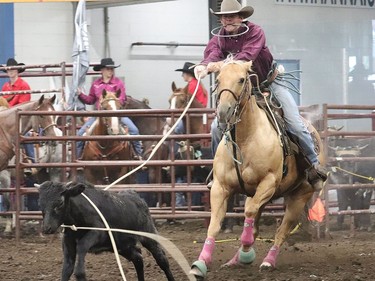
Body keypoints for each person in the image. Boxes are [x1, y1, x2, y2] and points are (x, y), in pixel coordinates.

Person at [193, 0, 327, 191]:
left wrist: (216, 66)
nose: (227, 20)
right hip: (242, 92)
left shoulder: (255, 32)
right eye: (224, 17)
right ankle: (218, 172)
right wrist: (203, 65)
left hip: (270, 83)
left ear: (241, 17)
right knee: (216, 127)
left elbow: (246, 57)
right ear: (221, 20)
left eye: (231, 16)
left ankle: (314, 166)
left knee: (295, 124)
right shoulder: (219, 38)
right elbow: (212, 53)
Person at [76, 58, 143, 159]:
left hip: (117, 114)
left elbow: (122, 98)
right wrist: (81, 95)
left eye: (112, 69)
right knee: (80, 134)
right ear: (102, 70)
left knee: (134, 131)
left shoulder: (118, 83)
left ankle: (138, 155)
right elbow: (91, 100)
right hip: (99, 115)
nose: (111, 71)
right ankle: (78, 158)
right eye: (108, 69)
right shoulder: (96, 84)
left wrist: (112, 103)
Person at [173, 62, 208, 207]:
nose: (182, 75)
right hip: (200, 115)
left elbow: (188, 103)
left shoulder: (192, 85)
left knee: (176, 128)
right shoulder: (197, 84)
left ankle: (177, 150)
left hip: (193, 116)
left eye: (183, 73)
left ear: (188, 74)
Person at [1, 58, 35, 172]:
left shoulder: (24, 85)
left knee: (26, 136)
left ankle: (31, 162)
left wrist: (7, 111)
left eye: (12, 69)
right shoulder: (5, 86)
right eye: (8, 69)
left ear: (17, 71)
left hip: (20, 118)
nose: (10, 71)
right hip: (6, 118)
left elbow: (24, 106)